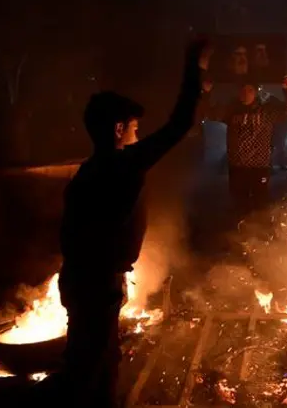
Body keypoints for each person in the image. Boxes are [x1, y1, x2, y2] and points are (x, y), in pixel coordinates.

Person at [56, 40, 207, 407]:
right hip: (96, 284)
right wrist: (194, 66)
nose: (138, 134)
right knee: (96, 370)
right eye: (135, 127)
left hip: (80, 281)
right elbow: (180, 123)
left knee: (91, 361)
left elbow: (69, 235)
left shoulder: (86, 171)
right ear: (119, 128)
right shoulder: (122, 164)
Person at [199, 76, 287, 217]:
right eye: (243, 90)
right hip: (237, 167)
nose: (246, 93)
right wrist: (206, 93)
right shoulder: (231, 111)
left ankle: (260, 234)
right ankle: (240, 234)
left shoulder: (265, 112)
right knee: (239, 204)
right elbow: (208, 112)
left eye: (250, 90)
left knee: (260, 204)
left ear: (255, 92)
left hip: (259, 167)